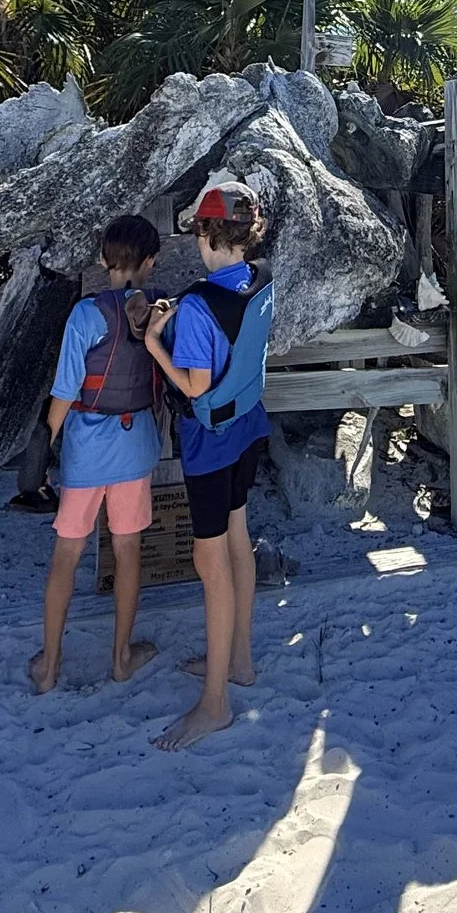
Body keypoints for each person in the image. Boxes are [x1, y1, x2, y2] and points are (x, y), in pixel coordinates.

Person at [140, 182, 273, 750]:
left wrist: (154, 343)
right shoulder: (260, 277)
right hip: (248, 425)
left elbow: (194, 386)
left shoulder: (197, 307)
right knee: (239, 536)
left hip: (211, 442)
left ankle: (215, 704)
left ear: (204, 232)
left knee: (209, 561)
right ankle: (239, 660)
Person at [28, 214, 165, 694]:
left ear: (103, 260)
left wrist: (42, 449)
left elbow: (66, 391)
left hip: (87, 451)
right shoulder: (158, 312)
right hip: (136, 446)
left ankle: (49, 667)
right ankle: (122, 658)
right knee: (128, 550)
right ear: (150, 261)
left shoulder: (85, 315)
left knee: (67, 553)